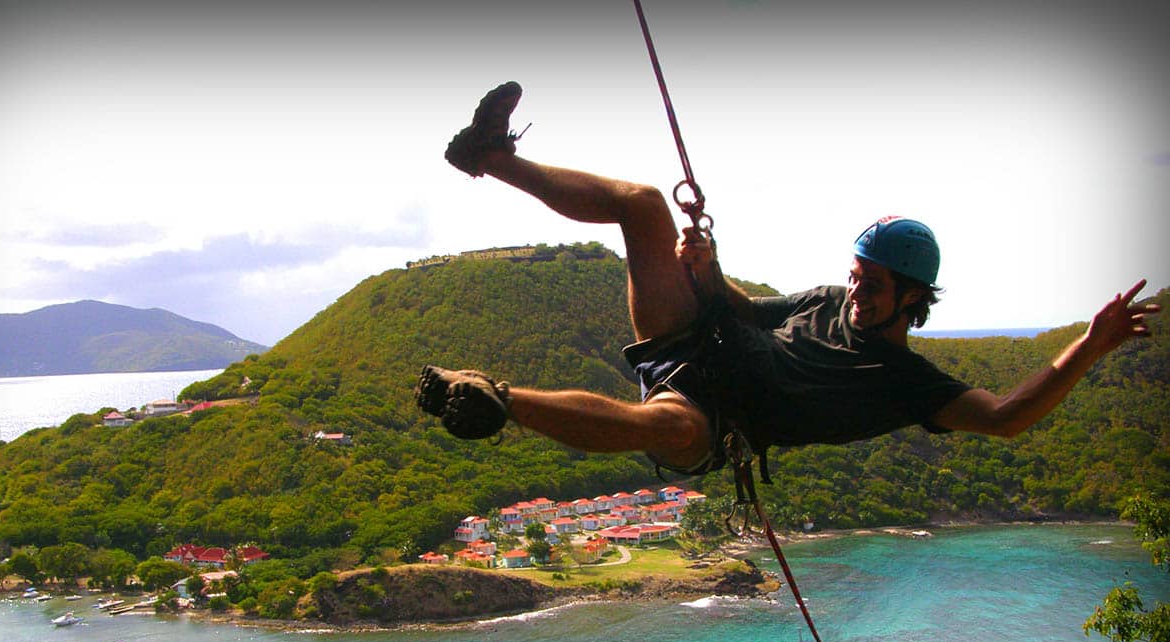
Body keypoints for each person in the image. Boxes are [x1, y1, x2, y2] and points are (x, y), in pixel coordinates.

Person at [416, 81, 1159, 478]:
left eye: (871, 283)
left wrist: (1088, 348)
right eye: (857, 274)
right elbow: (745, 311)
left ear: (912, 298)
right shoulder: (829, 303)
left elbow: (1005, 416)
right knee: (643, 206)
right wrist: (708, 272)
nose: (855, 288)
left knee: (662, 426)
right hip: (697, 339)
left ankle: (492, 398)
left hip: (716, 421)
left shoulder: (908, 383)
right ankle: (489, 156)